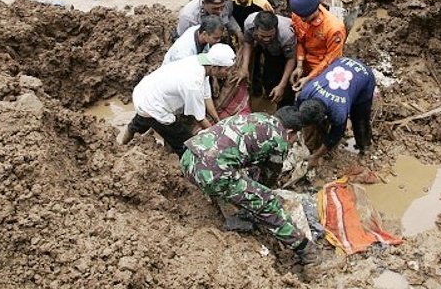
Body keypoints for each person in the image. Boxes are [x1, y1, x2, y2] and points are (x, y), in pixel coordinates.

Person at [179, 108, 323, 268]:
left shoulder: (256, 117)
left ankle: (233, 202)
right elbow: (269, 176)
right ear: (289, 131)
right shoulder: (279, 138)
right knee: (267, 203)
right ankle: (306, 251)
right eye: (295, 137)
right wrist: (262, 194)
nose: (293, 141)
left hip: (188, 158)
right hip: (212, 174)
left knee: (242, 178)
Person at [119, 44, 237, 156]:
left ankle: (121, 144)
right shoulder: (193, 82)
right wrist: (219, 136)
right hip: (153, 105)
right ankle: (180, 167)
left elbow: (206, 97)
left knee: (140, 122)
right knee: (186, 143)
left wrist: (217, 121)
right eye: (226, 70)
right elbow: (200, 118)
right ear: (215, 67)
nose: (228, 73)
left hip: (147, 93)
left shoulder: (202, 63)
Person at [297, 57, 376, 163]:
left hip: (364, 76)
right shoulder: (305, 93)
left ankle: (365, 147)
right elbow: (297, 116)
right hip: (342, 62)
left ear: (324, 116)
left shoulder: (339, 112)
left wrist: (316, 157)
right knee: (314, 125)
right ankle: (319, 139)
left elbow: (336, 135)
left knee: (360, 119)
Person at [288, 0, 346, 92]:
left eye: (305, 16)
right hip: (304, 57)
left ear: (315, 9)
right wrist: (299, 65)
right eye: (300, 16)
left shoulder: (334, 28)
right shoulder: (298, 13)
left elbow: (330, 59)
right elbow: (300, 40)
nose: (302, 19)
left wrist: (309, 78)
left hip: (322, 63)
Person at [238, 11, 296, 106]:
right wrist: (244, 67)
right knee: (268, 80)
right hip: (268, 51)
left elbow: (291, 59)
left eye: (270, 36)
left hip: (284, 53)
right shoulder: (249, 24)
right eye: (263, 36)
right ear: (255, 29)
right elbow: (248, 42)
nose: (266, 39)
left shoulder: (287, 34)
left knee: (286, 90)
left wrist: (282, 85)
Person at [177, 0, 242, 43]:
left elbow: (229, 17)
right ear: (204, 3)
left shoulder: (227, 2)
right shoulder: (189, 17)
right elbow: (186, 42)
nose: (220, 11)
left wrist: (238, 33)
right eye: (215, 9)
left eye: (222, 7)